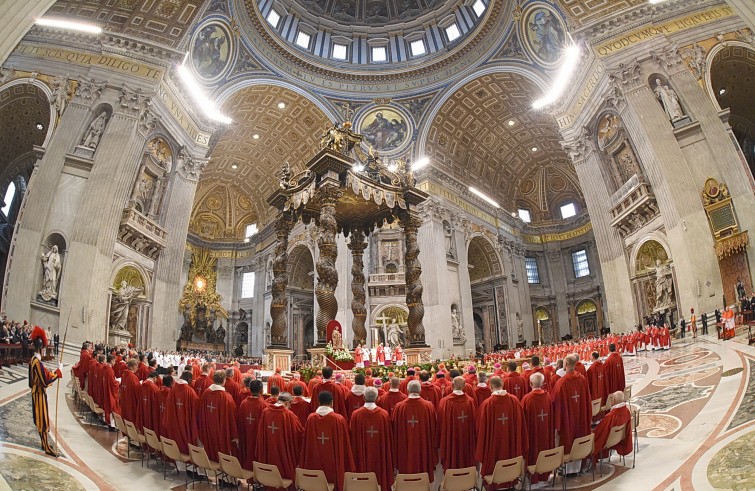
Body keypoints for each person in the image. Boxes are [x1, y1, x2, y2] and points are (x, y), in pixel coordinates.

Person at [475, 376, 528, 488]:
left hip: (493, 446)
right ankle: (510, 482)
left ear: (490, 387)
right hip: (511, 444)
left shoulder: (487, 405)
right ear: (502, 384)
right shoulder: (514, 401)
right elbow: (522, 425)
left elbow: (480, 429)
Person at [301, 391, 355, 491]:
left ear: (318, 402)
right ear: (332, 403)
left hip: (315, 462)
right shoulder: (338, 419)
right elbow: (345, 445)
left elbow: (306, 444)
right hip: (334, 465)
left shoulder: (311, 418)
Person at [551, 354, 592, 473]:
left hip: (567, 420)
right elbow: (587, 401)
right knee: (580, 435)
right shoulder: (582, 380)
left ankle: (568, 470)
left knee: (568, 438)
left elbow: (555, 402)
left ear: (567, 363)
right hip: (581, 418)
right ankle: (579, 465)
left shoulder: (561, 383)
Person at [391, 380, 438, 481]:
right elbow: (434, 429)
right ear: (420, 390)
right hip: (423, 447)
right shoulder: (428, 406)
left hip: (405, 449)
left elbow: (394, 431)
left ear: (407, 390)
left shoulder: (399, 407)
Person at [350, 387, 394, 491]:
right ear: (377, 398)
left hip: (362, 454)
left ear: (363, 397)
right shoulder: (384, 415)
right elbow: (388, 438)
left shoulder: (356, 415)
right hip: (380, 455)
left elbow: (352, 437)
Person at [29, 326, 63, 456]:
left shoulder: (33, 360)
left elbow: (39, 376)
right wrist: (58, 372)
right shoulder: (37, 362)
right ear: (42, 348)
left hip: (35, 391)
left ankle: (44, 443)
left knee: (40, 418)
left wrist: (54, 371)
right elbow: (45, 380)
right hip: (39, 393)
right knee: (42, 420)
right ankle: (47, 446)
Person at [256, 391, 304, 482]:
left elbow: (261, 433)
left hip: (269, 451)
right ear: (286, 402)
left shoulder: (266, 412)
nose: (290, 407)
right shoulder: (289, 415)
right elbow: (299, 434)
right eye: (290, 404)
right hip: (284, 453)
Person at [197, 370, 238, 462]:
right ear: (224, 381)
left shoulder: (206, 393)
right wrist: (234, 434)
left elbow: (201, 412)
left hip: (207, 429)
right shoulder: (226, 397)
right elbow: (232, 417)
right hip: (220, 432)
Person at [438, 376, 477, 471]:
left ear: (451, 385)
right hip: (467, 439)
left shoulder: (444, 402)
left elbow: (440, 424)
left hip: (450, 440)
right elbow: (474, 423)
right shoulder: (470, 402)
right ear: (464, 386)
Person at [522, 372, 554, 486]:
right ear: (543, 383)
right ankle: (544, 475)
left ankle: (534, 478)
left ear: (530, 383)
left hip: (532, 434)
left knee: (534, 452)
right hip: (545, 431)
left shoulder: (527, 399)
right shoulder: (548, 396)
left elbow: (522, 420)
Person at [162, 371, 199, 456]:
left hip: (174, 423)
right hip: (186, 425)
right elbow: (196, 410)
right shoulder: (190, 392)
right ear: (189, 380)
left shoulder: (173, 389)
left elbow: (168, 408)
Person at [593, 391, 633, 463]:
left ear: (613, 401)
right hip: (618, 439)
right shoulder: (627, 411)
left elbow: (599, 432)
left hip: (608, 442)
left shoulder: (611, 416)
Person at [238, 379, 266, 470]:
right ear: (261, 390)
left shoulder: (243, 403)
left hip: (246, 434)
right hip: (258, 437)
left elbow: (240, 421)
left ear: (250, 389)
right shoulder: (263, 405)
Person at [136, 370, 160, 435]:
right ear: (154, 378)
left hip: (143, 410)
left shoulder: (142, 385)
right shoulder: (154, 387)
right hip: (150, 412)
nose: (156, 382)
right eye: (156, 380)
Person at [119, 359, 141, 426]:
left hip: (125, 400)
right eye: (137, 366)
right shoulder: (133, 377)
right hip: (131, 402)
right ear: (133, 366)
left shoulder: (124, 374)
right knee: (131, 419)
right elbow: (138, 392)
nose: (137, 368)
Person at [101, 354, 120, 430]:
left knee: (108, 406)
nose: (115, 362)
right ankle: (112, 426)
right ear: (111, 360)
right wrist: (118, 382)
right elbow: (113, 383)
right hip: (110, 391)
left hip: (106, 389)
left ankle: (109, 422)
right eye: (114, 360)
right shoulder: (110, 370)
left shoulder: (105, 368)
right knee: (112, 407)